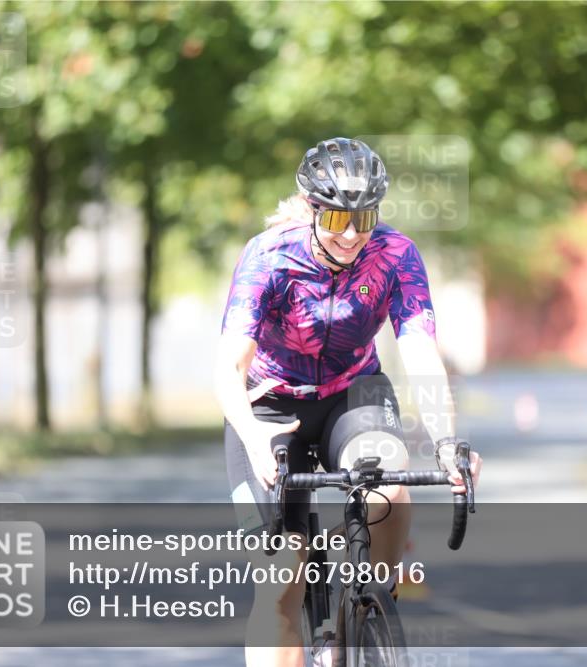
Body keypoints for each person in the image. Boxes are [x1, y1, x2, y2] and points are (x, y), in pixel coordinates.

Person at [214, 137, 482, 667]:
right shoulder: (268, 256)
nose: (353, 235)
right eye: (337, 221)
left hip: (352, 392)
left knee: (388, 482)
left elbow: (420, 351)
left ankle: (372, 602)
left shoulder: (395, 254)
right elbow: (230, 366)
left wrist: (447, 443)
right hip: (270, 404)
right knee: (279, 583)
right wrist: (254, 439)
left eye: (365, 218)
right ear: (312, 210)